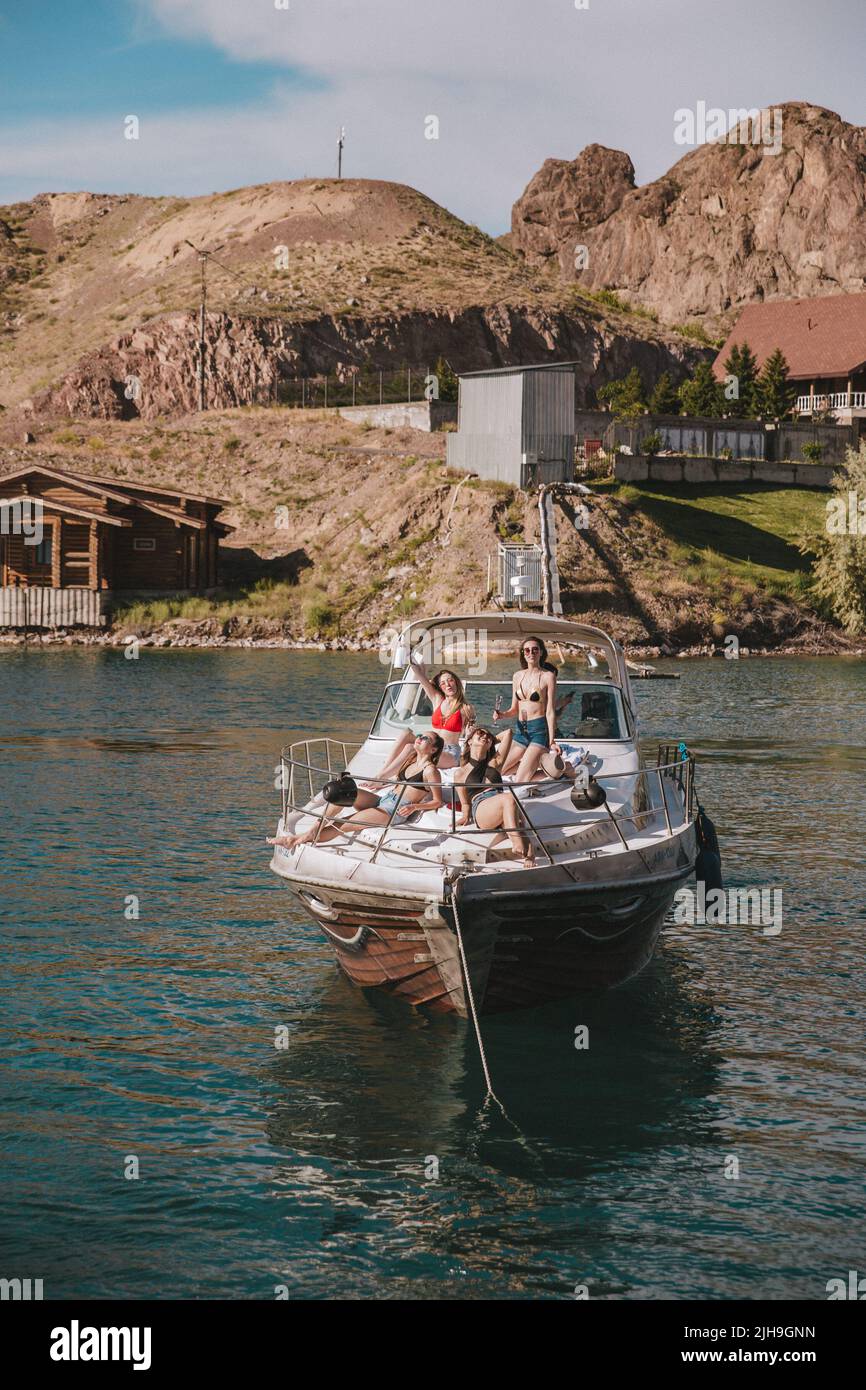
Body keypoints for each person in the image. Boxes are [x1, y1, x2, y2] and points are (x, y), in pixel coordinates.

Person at [270, 732, 444, 850]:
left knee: (340, 824)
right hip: (385, 799)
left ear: (434, 749)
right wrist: (380, 784)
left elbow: (437, 801)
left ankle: (295, 839)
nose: (419, 738)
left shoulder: (430, 771)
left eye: (425, 738)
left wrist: (414, 807)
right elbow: (400, 783)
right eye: (420, 735)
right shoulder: (411, 761)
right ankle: (310, 832)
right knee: (344, 792)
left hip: (393, 811)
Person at [378, 661, 474, 776]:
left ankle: (381, 778)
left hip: (449, 753)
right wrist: (411, 660)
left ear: (456, 682)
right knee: (405, 733)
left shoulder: (466, 708)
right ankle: (384, 770)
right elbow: (421, 678)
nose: (448, 685)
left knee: (410, 748)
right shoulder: (437, 700)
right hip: (431, 745)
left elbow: (471, 736)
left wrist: (469, 734)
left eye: (450, 680)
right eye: (443, 683)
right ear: (440, 688)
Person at [494, 636, 560, 785]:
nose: (531, 653)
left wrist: (552, 741)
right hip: (520, 730)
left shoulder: (548, 676)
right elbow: (513, 709)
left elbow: (550, 711)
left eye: (535, 649)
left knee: (520, 781)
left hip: (538, 731)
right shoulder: (517, 676)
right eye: (527, 650)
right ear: (523, 654)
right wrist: (502, 715)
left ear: (541, 652)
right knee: (499, 770)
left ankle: (560, 771)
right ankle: (534, 765)